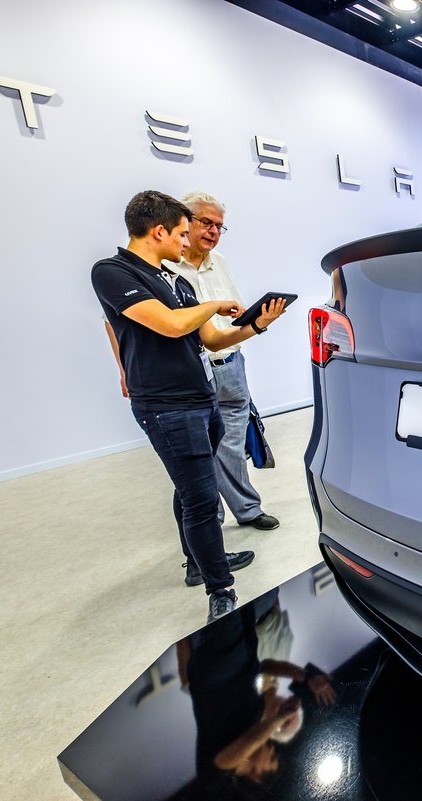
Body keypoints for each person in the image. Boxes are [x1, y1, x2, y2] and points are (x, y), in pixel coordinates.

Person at [91, 190, 287, 622]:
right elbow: (170, 324)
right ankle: (221, 590)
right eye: (182, 233)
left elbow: (212, 339)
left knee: (189, 490)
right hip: (164, 405)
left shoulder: (175, 282)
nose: (187, 241)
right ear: (158, 231)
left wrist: (257, 323)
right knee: (200, 499)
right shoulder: (111, 272)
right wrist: (214, 304)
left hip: (203, 397)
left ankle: (201, 561)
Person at [167, 192, 280, 535]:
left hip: (230, 365)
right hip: (192, 369)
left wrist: (259, 319)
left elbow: (234, 314)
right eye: (207, 223)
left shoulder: (220, 262)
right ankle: (208, 525)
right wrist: (125, 371)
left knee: (231, 443)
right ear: (185, 221)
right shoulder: (163, 265)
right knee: (199, 454)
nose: (214, 231)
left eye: (219, 226)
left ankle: (247, 509)